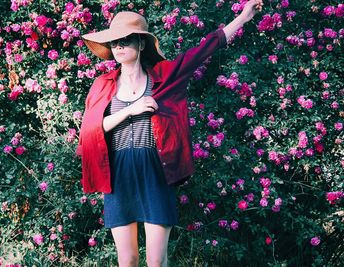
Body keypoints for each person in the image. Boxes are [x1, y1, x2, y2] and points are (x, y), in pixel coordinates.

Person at [76, 1, 263, 266]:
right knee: (127, 260)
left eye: (126, 40)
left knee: (156, 261)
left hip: (154, 168)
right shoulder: (103, 84)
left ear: (141, 44)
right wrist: (131, 110)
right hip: (119, 172)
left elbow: (202, 51)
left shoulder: (164, 75)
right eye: (114, 42)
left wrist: (243, 18)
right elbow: (91, 130)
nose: (118, 47)